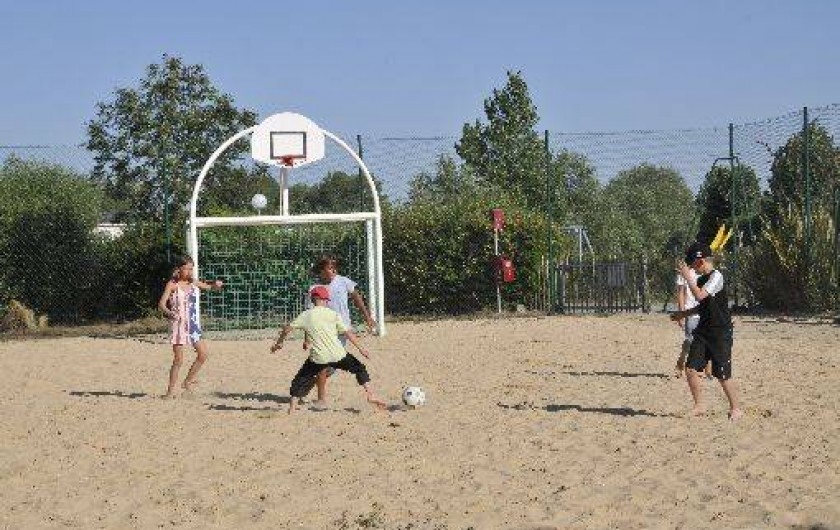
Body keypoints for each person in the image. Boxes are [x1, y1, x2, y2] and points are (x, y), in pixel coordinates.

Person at [271, 285, 386, 414]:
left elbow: (287, 329)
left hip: (319, 358)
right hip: (338, 355)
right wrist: (361, 349)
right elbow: (347, 333)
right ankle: (370, 394)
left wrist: (279, 343)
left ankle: (292, 408)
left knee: (300, 379)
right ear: (325, 300)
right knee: (359, 368)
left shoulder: (306, 315)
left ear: (313, 299)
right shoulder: (333, 314)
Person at [670, 242, 742, 421]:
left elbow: (700, 295)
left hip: (720, 332)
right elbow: (702, 306)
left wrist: (688, 278)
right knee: (691, 369)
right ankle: (699, 406)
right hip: (703, 331)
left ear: (701, 261)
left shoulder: (717, 276)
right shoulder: (701, 279)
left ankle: (736, 409)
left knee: (722, 375)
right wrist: (683, 314)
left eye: (693, 265)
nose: (692, 269)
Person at [304, 255, 377, 404]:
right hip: (324, 331)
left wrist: (367, 316)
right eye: (330, 268)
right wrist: (307, 337)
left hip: (343, 331)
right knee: (323, 364)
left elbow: (357, 298)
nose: (334, 271)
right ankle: (321, 399)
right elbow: (309, 316)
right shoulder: (314, 289)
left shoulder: (344, 281)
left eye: (335, 268)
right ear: (321, 270)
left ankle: (308, 384)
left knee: (332, 367)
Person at [157, 256, 223, 399]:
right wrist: (169, 312)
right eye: (187, 268)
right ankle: (170, 392)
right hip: (178, 325)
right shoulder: (172, 284)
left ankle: (187, 381)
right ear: (179, 269)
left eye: (191, 269)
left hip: (193, 324)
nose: (190, 271)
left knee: (203, 354)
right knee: (178, 360)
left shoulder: (193, 282)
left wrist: (216, 285)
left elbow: (209, 287)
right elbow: (161, 304)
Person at [674, 267, 712, 378]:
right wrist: (681, 313)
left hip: (706, 311)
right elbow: (681, 293)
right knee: (690, 340)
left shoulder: (708, 271)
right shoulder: (684, 271)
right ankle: (681, 360)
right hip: (690, 311)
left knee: (708, 340)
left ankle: (707, 368)